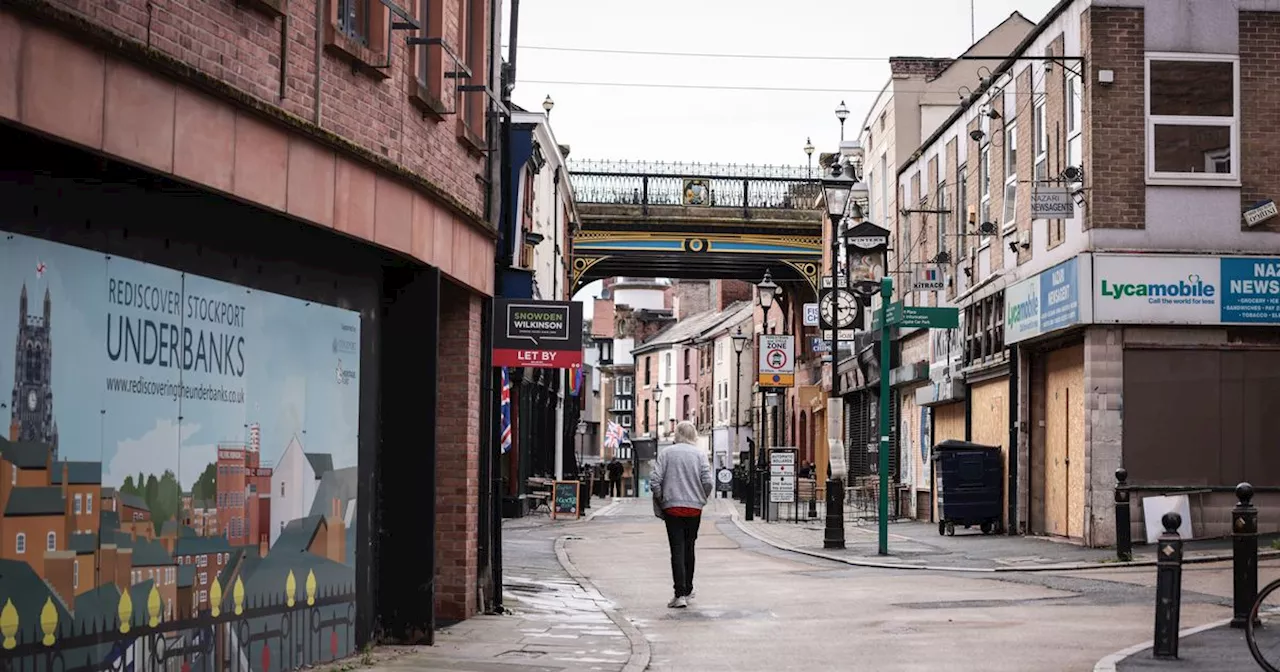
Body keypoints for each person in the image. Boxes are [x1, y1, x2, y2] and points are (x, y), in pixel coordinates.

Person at [650, 421, 713, 609]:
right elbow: (708, 481)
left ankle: (679, 594)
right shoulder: (700, 454)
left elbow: (655, 480)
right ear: (693, 434)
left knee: (676, 549)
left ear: (677, 434)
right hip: (694, 508)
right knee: (689, 547)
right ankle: (687, 589)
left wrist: (663, 499)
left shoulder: (666, 454)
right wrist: (702, 497)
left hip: (672, 507)